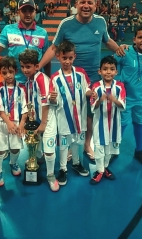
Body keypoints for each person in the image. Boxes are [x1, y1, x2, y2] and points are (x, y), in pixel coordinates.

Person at [38, 0, 125, 161]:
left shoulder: (101, 22)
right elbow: (54, 47)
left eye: (90, 2)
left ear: (95, 5)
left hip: (93, 78)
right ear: (76, 4)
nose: (86, 5)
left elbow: (107, 41)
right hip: (71, 79)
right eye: (83, 2)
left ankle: (86, 144)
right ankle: (71, 146)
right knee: (71, 113)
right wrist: (38, 66)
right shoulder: (66, 24)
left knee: (91, 114)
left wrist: (121, 49)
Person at [49, 40, 91, 186]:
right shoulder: (54, 78)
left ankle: (76, 162)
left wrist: (91, 93)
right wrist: (52, 99)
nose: (67, 61)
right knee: (64, 144)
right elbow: (53, 102)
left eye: (70, 58)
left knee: (77, 142)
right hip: (64, 119)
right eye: (64, 58)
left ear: (74, 57)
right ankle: (62, 169)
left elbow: (87, 88)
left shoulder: (81, 73)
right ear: (58, 57)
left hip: (79, 116)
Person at [19, 49, 58, 192]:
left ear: (36, 66)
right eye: (22, 66)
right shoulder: (29, 81)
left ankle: (51, 175)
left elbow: (45, 102)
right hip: (37, 119)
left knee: (49, 150)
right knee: (39, 146)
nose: (24, 70)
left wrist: (43, 123)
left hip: (47, 120)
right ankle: (39, 158)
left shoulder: (41, 79)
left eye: (28, 67)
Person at [115, 24, 142, 165]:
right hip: (125, 98)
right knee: (122, 124)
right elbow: (110, 65)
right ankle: (114, 149)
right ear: (134, 39)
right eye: (140, 37)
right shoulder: (125, 52)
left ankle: (139, 151)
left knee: (139, 123)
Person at [0, 0, 50, 84]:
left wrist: (48, 79)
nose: (28, 14)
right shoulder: (8, 29)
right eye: (24, 11)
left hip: (36, 84)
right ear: (18, 12)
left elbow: (46, 60)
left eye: (31, 11)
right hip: (14, 83)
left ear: (35, 12)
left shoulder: (43, 33)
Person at [89, 56, 126, 184]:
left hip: (114, 124)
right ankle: (99, 171)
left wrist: (113, 99)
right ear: (100, 71)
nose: (108, 72)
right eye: (105, 69)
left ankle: (105, 168)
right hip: (99, 123)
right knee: (99, 147)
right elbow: (93, 106)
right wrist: (101, 99)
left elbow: (122, 105)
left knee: (110, 148)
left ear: (116, 71)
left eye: (112, 69)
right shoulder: (96, 87)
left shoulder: (120, 87)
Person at [0, 57, 28, 187]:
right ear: (0, 73)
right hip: (3, 123)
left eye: (11, 72)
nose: (8, 75)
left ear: (16, 71)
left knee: (15, 148)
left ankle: (13, 163)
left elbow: (25, 108)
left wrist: (22, 124)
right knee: (1, 150)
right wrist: (8, 123)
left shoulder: (22, 88)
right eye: (4, 72)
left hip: (17, 124)